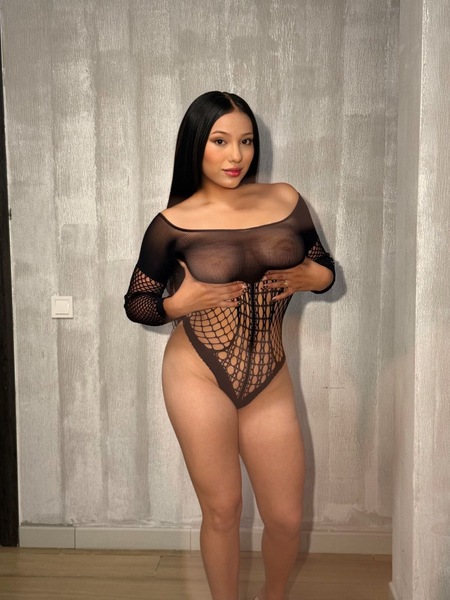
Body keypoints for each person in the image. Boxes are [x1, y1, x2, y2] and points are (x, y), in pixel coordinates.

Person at [124, 91, 335, 600]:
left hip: (269, 374)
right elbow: (138, 302)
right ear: (196, 144)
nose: (236, 156)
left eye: (246, 141)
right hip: (196, 373)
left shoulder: (286, 199)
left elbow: (323, 266)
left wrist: (318, 277)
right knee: (222, 511)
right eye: (220, 141)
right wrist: (179, 303)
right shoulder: (172, 222)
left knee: (285, 517)